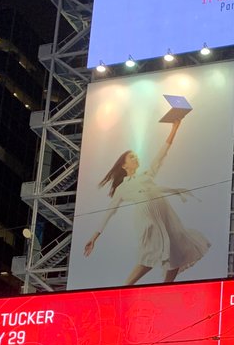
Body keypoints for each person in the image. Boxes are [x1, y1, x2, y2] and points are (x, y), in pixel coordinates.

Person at [83, 115, 209, 286]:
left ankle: (166, 287)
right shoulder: (122, 188)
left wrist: (174, 129)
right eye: (131, 157)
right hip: (147, 219)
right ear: (124, 165)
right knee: (149, 254)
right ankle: (125, 287)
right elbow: (109, 212)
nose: (136, 158)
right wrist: (94, 237)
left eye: (136, 156)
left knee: (176, 246)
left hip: (166, 214)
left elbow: (161, 154)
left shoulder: (147, 176)